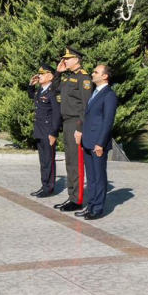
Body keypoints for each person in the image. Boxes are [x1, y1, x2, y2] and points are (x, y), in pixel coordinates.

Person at [51, 47, 93, 212]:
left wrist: (81, 128)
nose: (64, 61)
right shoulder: (68, 78)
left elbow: (86, 105)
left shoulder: (84, 79)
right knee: (70, 163)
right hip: (67, 123)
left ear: (76, 59)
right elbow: (55, 89)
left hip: (76, 123)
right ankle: (72, 196)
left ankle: (77, 200)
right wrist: (58, 72)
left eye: (67, 58)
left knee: (76, 162)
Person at [78, 64, 118, 220]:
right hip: (88, 141)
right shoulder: (94, 93)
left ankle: (98, 209)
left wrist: (100, 143)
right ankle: (91, 205)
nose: (92, 74)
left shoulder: (109, 95)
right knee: (92, 177)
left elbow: (107, 122)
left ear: (105, 76)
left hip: (98, 144)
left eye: (96, 72)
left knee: (99, 176)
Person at [29, 63, 61, 198]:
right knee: (43, 161)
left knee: (49, 161)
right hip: (39, 130)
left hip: (48, 132)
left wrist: (54, 133)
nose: (39, 76)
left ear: (50, 76)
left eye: (42, 74)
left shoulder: (53, 92)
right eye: (39, 74)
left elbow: (57, 114)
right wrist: (31, 85)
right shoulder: (40, 91)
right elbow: (32, 96)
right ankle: (44, 185)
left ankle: (49, 188)